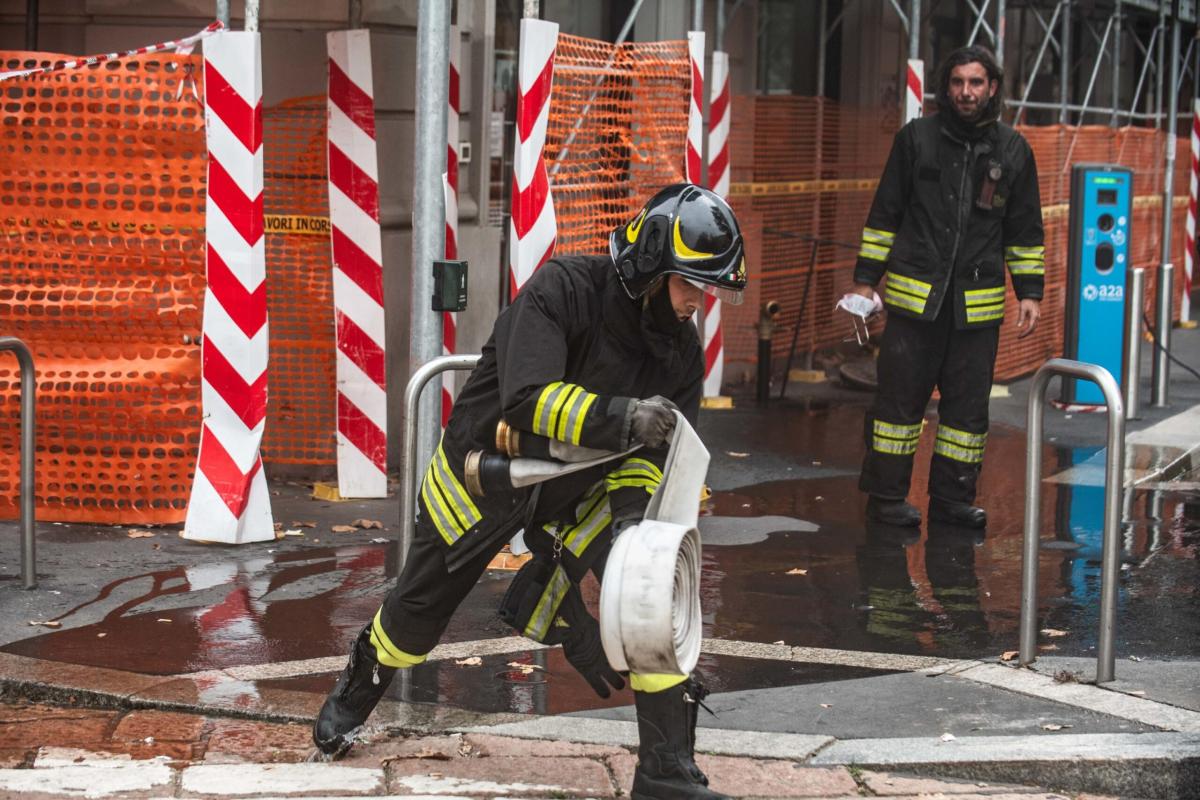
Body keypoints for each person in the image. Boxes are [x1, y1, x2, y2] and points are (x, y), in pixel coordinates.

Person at [313, 183, 747, 800]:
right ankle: (355, 695)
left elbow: (658, 456)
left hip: (578, 492)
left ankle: (665, 773)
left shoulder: (679, 353)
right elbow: (527, 401)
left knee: (655, 604)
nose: (696, 306)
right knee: (416, 618)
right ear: (652, 266)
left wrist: (631, 534)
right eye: (690, 287)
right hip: (483, 473)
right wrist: (622, 418)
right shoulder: (562, 291)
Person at [850, 45, 1045, 529]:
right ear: (946, 87)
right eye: (958, 82)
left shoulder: (1013, 151)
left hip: (976, 312)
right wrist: (865, 283)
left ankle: (954, 502)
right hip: (915, 308)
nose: (966, 92)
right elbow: (884, 216)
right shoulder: (916, 140)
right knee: (897, 407)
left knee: (966, 413)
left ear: (992, 88)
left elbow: (1024, 230)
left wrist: (1030, 292)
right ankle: (887, 498)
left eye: (976, 83)